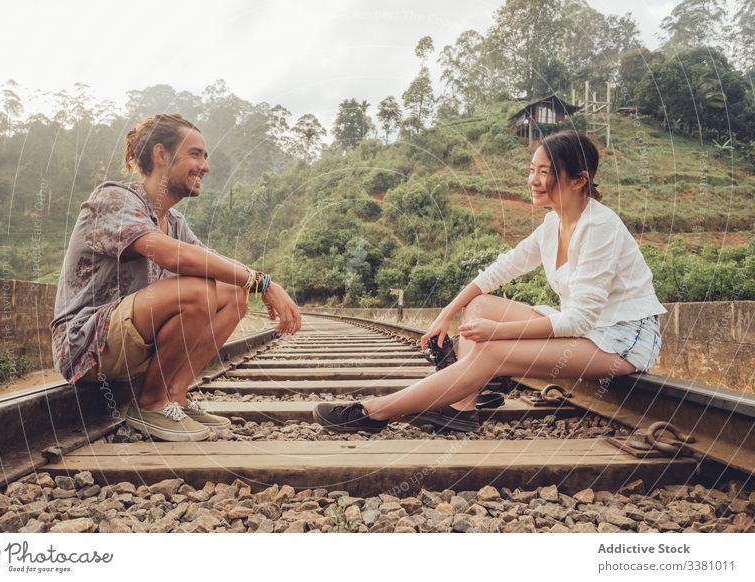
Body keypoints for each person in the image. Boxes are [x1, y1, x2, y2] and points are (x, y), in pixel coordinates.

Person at [314, 130, 666, 433]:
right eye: (532, 170)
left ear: (579, 180)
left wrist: (495, 333)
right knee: (479, 303)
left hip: (621, 339)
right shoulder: (552, 225)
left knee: (494, 349)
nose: (533, 180)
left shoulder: (599, 226)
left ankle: (375, 412)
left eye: (546, 172)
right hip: (588, 330)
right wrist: (447, 314)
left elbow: (580, 319)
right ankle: (462, 405)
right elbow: (499, 271)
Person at [51, 113, 302, 442]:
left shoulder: (175, 220)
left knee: (231, 292)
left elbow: (213, 262)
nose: (205, 166)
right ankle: (151, 403)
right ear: (161, 155)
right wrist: (263, 283)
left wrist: (257, 283)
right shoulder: (113, 199)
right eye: (195, 154)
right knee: (198, 291)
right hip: (85, 343)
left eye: (205, 156)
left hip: (131, 337)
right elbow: (171, 255)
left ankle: (174, 396)